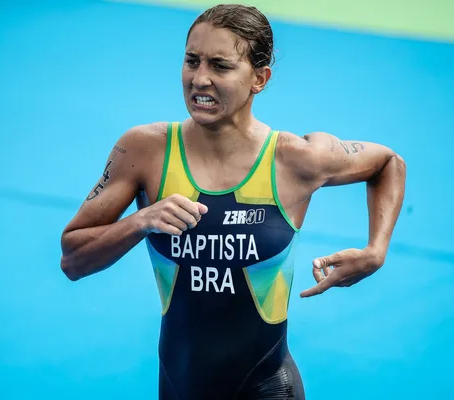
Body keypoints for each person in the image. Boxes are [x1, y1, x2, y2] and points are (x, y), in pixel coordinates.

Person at [60, 4, 406, 399]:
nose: (200, 79)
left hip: (266, 388)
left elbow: (387, 162)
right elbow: (72, 260)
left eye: (220, 66)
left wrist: (375, 251)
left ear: (259, 78)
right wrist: (142, 221)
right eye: (192, 61)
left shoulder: (296, 159)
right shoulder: (145, 150)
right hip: (178, 386)